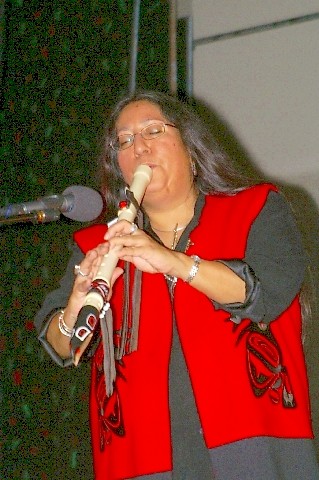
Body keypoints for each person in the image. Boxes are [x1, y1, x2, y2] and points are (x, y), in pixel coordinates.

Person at [35, 90, 319, 480]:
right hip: (138, 460)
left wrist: (175, 263)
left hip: (253, 449)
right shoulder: (96, 245)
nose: (139, 147)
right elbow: (59, 343)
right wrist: (75, 307)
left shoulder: (256, 209)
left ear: (192, 150)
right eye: (125, 140)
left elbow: (269, 291)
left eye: (153, 130)